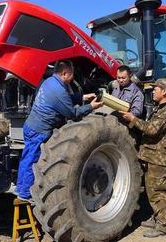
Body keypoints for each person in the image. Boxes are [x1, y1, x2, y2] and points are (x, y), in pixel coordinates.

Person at [16, 60, 103, 201]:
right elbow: (72, 113)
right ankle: (25, 193)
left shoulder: (51, 81)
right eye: (72, 74)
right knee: (31, 160)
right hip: (39, 130)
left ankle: (21, 188)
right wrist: (91, 107)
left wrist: (82, 97)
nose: (73, 77)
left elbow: (65, 99)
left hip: (31, 126)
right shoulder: (59, 90)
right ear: (64, 73)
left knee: (27, 157)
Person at [120, 78, 166, 238]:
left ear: (164, 92)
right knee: (152, 189)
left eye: (155, 89)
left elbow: (152, 130)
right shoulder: (160, 108)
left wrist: (133, 119)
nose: (153, 91)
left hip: (159, 158)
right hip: (152, 155)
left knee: (158, 191)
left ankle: (162, 226)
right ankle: (156, 217)